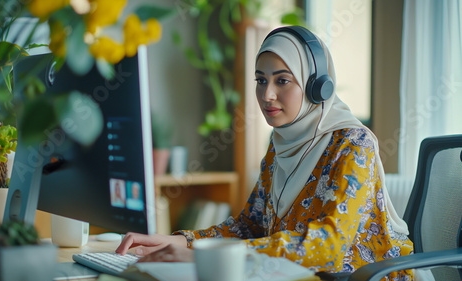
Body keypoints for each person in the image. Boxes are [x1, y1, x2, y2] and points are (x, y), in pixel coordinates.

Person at [116, 26, 415, 279]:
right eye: (261, 80)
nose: (267, 94)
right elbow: (250, 225)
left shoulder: (353, 144)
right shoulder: (279, 143)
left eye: (282, 80)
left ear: (317, 88)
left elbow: (330, 245)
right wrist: (179, 241)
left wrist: (209, 257)